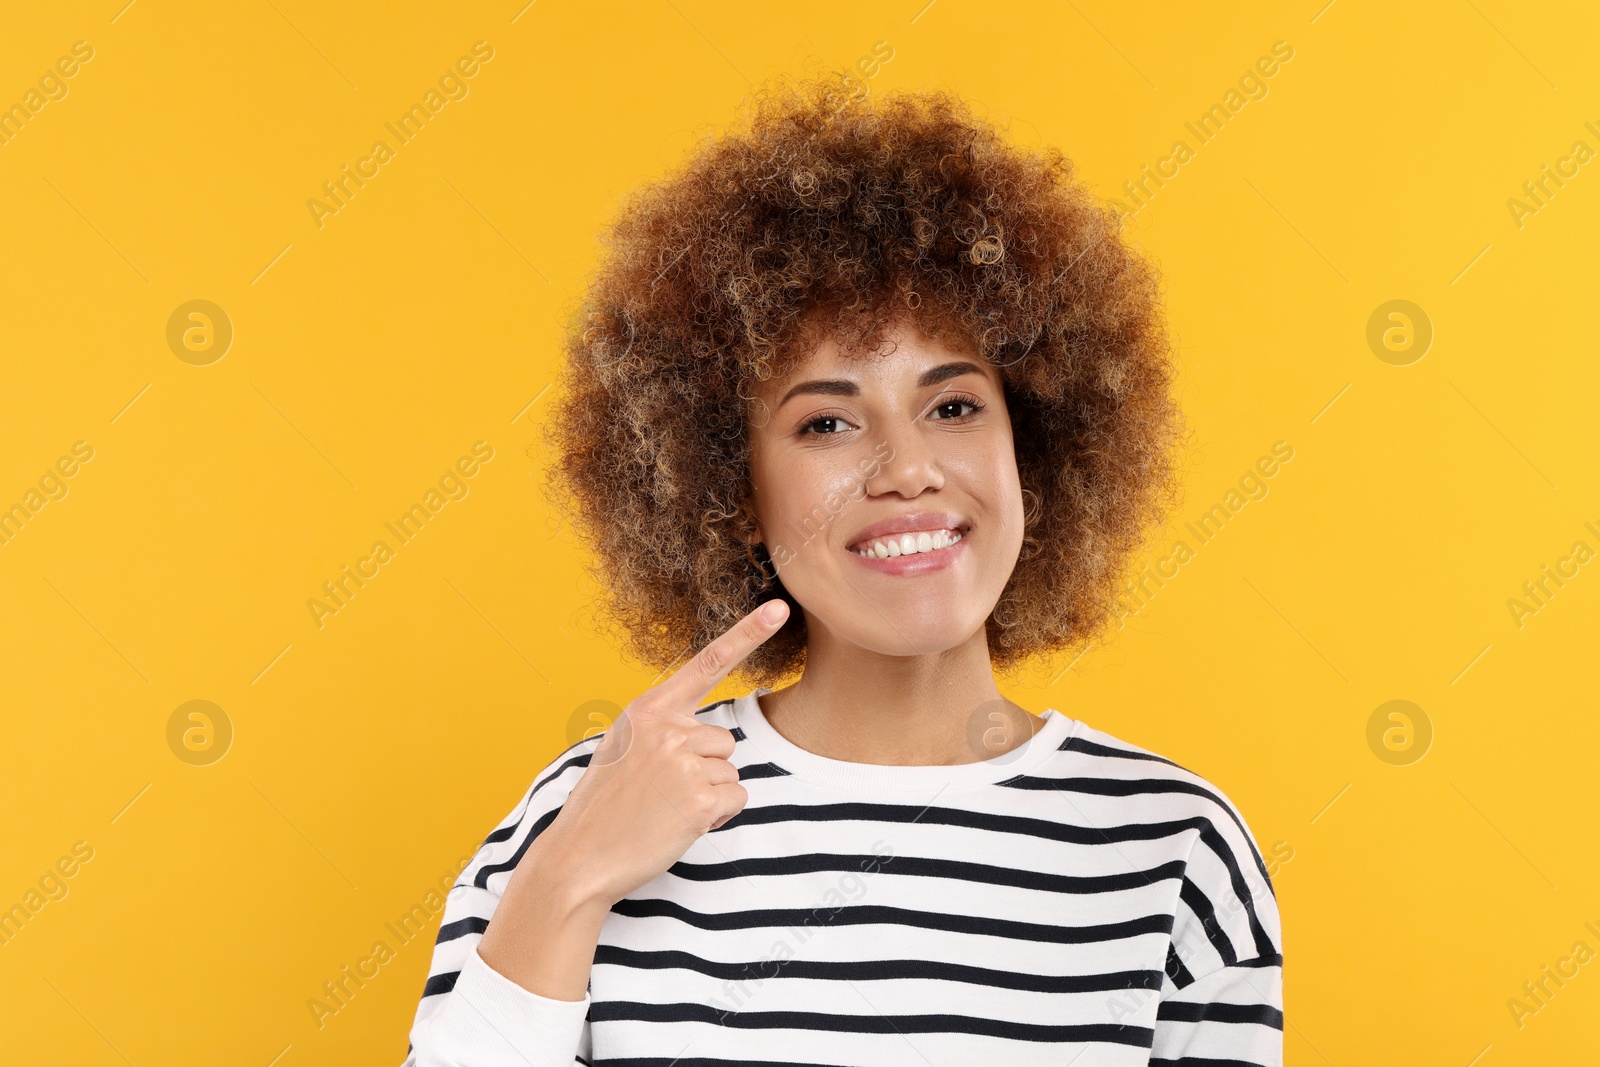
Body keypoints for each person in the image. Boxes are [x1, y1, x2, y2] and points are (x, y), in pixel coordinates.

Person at [401, 70, 1282, 1066]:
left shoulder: (1170, 849)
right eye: (825, 422)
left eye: (953, 406)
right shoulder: (591, 810)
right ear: (731, 490)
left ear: (1031, 447)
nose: (908, 468)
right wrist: (566, 881)